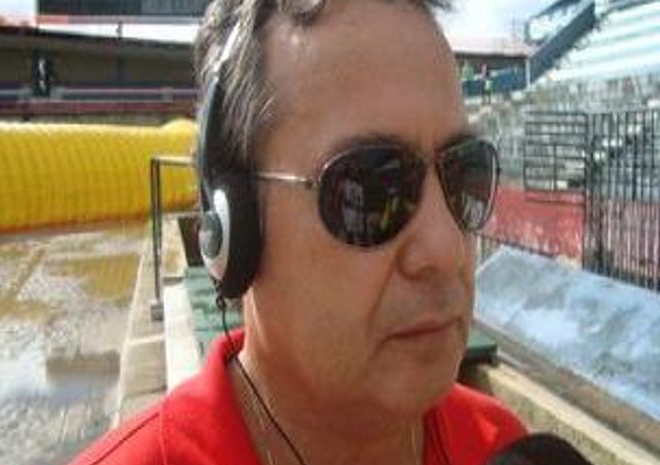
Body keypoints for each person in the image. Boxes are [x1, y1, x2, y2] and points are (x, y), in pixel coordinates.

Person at [69, 0, 526, 464]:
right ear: (235, 226)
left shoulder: (503, 446)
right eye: (370, 191)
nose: (447, 249)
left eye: (464, 175)